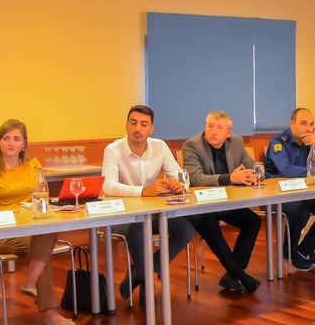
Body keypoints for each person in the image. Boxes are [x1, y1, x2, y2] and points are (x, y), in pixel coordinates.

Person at [0, 119, 74, 325]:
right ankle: (49, 311)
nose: (11, 143)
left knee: (47, 232)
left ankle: (31, 282)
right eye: (6, 138)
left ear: (24, 143)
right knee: (40, 251)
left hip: (28, 226)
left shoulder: (33, 164)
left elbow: (42, 194)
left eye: (16, 139)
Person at [101, 105, 194, 305]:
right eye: (133, 123)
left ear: (151, 129)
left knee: (186, 229)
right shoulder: (113, 149)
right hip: (122, 216)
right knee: (138, 227)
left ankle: (140, 272)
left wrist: (179, 185)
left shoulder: (160, 146)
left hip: (151, 213)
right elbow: (107, 186)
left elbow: (181, 177)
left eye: (144, 124)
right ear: (126, 126)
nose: (138, 128)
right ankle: (146, 285)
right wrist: (143, 191)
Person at [181, 111, 262, 294]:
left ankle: (233, 276)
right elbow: (194, 178)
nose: (213, 131)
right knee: (209, 223)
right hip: (199, 206)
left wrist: (253, 176)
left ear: (228, 132)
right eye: (210, 126)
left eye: (219, 128)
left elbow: (255, 167)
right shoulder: (192, 145)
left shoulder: (237, 143)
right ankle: (240, 275)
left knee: (253, 221)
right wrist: (229, 178)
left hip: (225, 202)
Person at [264, 107, 315, 271]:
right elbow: (286, 170)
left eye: (311, 124)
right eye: (303, 123)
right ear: (292, 123)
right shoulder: (278, 142)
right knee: (300, 212)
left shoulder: (310, 141)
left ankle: (305, 249)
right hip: (276, 194)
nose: (308, 128)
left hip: (302, 192)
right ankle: (289, 252)